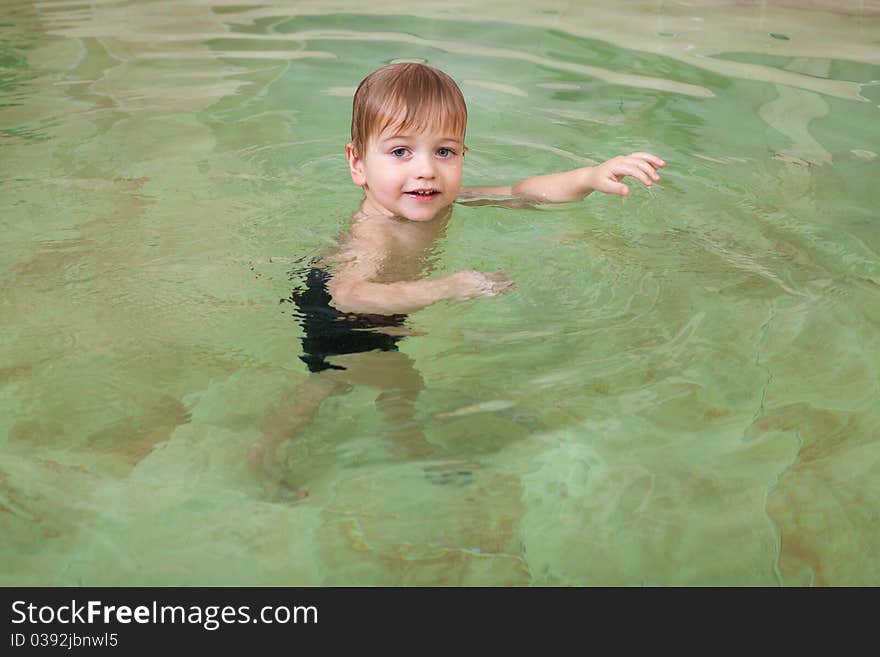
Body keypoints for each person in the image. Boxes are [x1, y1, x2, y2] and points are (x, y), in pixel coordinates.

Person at [249, 62, 664, 497]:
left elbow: (522, 194)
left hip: (386, 308)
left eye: (444, 152)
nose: (426, 170)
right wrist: (449, 287)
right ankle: (265, 451)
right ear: (358, 165)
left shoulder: (442, 200)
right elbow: (349, 294)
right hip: (339, 313)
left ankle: (400, 437)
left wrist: (588, 177)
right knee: (327, 383)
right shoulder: (375, 233)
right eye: (400, 152)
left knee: (390, 379)